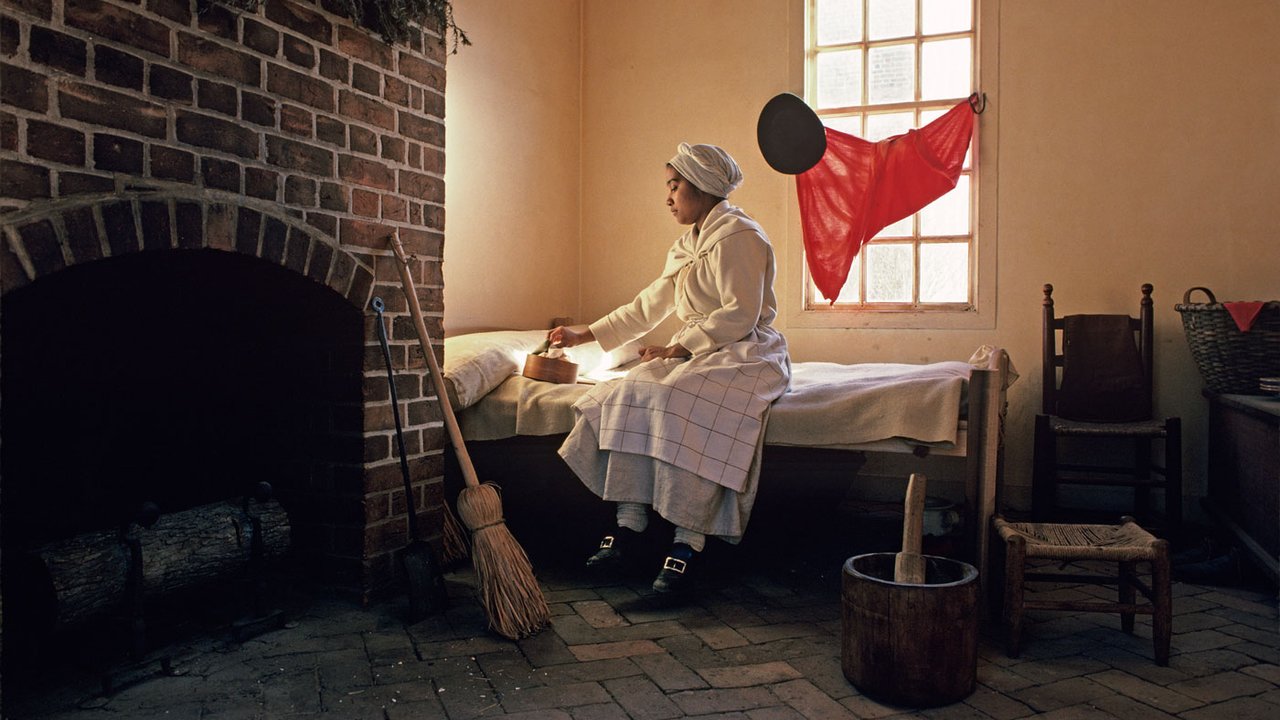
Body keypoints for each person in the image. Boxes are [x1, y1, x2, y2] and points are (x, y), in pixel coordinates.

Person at [549, 142, 791, 595]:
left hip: (744, 350)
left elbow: (740, 315)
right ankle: (629, 524)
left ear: (701, 188)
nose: (668, 197)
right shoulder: (686, 245)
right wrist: (587, 334)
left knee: (680, 398)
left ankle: (688, 541)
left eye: (674, 186)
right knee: (632, 388)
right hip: (697, 349)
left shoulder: (741, 237)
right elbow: (647, 307)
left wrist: (680, 348)